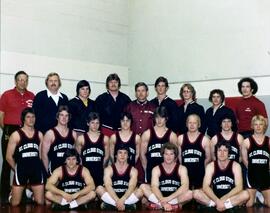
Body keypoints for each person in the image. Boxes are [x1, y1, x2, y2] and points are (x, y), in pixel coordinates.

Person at [0, 70, 35, 203]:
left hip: (26, 132)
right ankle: (3, 194)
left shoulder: (32, 95)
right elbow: (1, 115)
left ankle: (23, 193)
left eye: (25, 80)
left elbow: (33, 116)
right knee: (7, 164)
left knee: (24, 163)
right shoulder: (6, 95)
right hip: (10, 130)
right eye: (20, 79)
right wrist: (8, 131)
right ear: (15, 81)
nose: (23, 82)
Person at [193, 141, 249, 211]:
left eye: (225, 151)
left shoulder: (236, 165)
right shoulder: (211, 166)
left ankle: (219, 206)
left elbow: (239, 187)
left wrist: (223, 199)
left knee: (246, 194)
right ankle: (223, 206)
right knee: (196, 193)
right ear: (216, 152)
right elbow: (205, 186)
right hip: (214, 197)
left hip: (230, 197)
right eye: (219, 150)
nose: (222, 153)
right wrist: (217, 200)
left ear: (229, 153)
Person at [6, 108, 44, 206]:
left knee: (40, 202)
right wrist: (17, 169)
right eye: (28, 117)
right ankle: (11, 195)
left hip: (35, 169)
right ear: (23, 119)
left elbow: (40, 156)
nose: (31, 119)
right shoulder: (16, 135)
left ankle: (30, 194)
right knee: (15, 203)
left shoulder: (39, 134)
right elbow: (8, 157)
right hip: (21, 170)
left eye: (33, 117)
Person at [140, 143, 192, 211]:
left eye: (171, 154)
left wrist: (168, 199)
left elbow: (185, 186)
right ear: (162, 155)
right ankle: (169, 205)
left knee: (190, 193)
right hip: (160, 196)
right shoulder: (156, 169)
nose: (168, 157)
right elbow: (154, 187)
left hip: (174, 197)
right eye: (166, 154)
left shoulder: (182, 168)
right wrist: (163, 201)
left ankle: (160, 204)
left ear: (175, 156)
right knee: (143, 186)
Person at [96, 146, 142, 211]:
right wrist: (117, 200)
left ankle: (113, 206)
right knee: (99, 189)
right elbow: (108, 186)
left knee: (140, 192)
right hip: (112, 196)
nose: (122, 155)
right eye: (120, 153)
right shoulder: (109, 169)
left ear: (128, 156)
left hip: (127, 196)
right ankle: (125, 206)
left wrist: (123, 199)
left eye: (125, 153)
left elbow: (132, 186)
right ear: (116, 156)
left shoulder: (133, 170)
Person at [140, 106, 178, 183]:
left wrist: (171, 169)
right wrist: (146, 169)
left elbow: (176, 155)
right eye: (157, 117)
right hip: (151, 169)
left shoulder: (172, 135)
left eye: (162, 117)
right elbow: (142, 154)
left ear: (166, 118)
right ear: (154, 118)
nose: (159, 120)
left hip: (167, 171)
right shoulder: (147, 134)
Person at [241, 115, 270, 207]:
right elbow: (245, 160)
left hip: (265, 176)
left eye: (261, 124)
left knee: (269, 204)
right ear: (252, 126)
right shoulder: (246, 141)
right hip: (252, 176)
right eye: (256, 124)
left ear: (264, 126)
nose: (258, 126)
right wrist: (253, 170)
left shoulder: (269, 141)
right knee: (249, 204)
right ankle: (255, 195)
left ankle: (261, 197)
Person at [76, 112, 110, 187]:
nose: (95, 125)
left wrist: (102, 167)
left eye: (97, 123)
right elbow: (79, 157)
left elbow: (107, 156)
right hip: (85, 173)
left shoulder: (105, 139)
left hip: (99, 172)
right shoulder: (81, 139)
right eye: (92, 123)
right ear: (88, 123)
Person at [177, 114, 211, 190]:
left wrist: (204, 173)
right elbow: (179, 158)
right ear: (186, 124)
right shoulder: (180, 138)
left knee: (199, 197)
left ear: (199, 125)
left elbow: (208, 158)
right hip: (185, 174)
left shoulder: (205, 140)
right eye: (190, 122)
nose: (192, 125)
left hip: (199, 174)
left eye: (194, 123)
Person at [42, 106, 77, 175]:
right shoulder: (50, 133)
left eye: (66, 116)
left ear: (69, 118)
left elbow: (75, 155)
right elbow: (44, 155)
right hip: (54, 171)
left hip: (69, 172)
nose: (64, 118)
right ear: (57, 117)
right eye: (61, 115)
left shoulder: (73, 134)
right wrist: (47, 173)